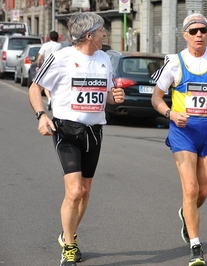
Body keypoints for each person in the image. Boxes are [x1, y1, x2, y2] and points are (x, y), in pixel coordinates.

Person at [28, 12, 124, 266]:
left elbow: (108, 95)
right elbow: (35, 88)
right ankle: (69, 245)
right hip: (67, 131)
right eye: (102, 30)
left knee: (85, 191)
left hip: (94, 132)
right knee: (74, 191)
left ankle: (66, 233)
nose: (106, 34)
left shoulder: (104, 58)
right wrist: (41, 115)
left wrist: (116, 97)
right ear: (89, 35)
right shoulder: (60, 58)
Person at [151, 13, 207, 266]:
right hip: (184, 133)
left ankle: (185, 212)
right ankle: (195, 246)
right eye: (193, 31)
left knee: (202, 191)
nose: (198, 35)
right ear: (185, 36)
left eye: (202, 30)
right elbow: (156, 97)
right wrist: (170, 113)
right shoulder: (174, 62)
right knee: (190, 189)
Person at [36, 30, 62, 111]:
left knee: (45, 84)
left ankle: (49, 98)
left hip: (47, 66)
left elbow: (40, 58)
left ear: (49, 37)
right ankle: (54, 99)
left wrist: (38, 66)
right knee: (55, 84)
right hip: (57, 66)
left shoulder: (45, 45)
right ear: (57, 38)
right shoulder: (60, 45)